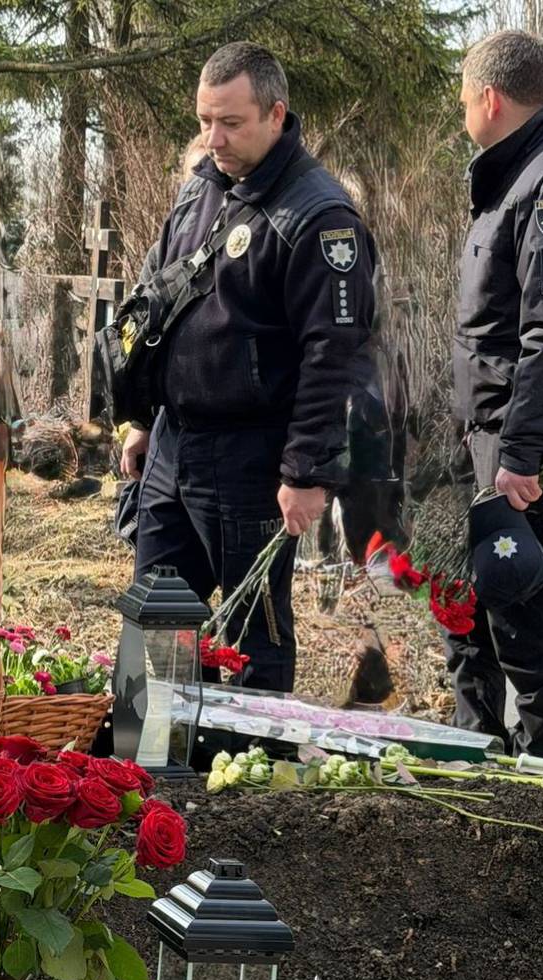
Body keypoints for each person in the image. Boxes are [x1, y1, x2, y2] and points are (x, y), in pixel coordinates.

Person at [119, 41, 377, 691]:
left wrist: (306, 470)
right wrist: (142, 418)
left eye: (231, 123)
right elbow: (158, 305)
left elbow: (333, 355)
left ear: (276, 114)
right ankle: (149, 765)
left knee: (253, 631)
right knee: (157, 610)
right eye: (205, 121)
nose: (214, 138)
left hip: (252, 456)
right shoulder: (200, 190)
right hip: (175, 445)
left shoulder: (318, 216)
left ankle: (252, 778)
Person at [446, 30, 543, 759]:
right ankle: (485, 760)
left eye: (465, 100)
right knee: (481, 610)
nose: (464, 112)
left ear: (490, 98)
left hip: (526, 447)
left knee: (532, 628)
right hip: (496, 434)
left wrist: (523, 453)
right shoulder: (527, 170)